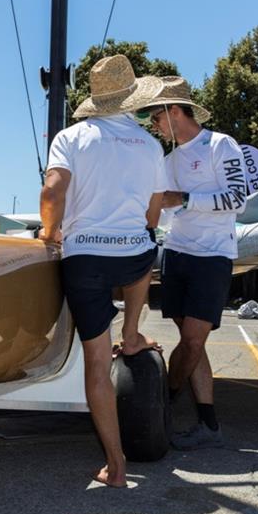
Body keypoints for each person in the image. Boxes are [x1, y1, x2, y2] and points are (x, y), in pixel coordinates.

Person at [39, 55, 166, 488]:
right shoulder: (151, 145)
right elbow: (152, 215)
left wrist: (50, 232)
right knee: (145, 255)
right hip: (132, 256)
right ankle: (132, 331)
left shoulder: (71, 137)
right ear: (131, 98)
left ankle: (116, 465)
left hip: (85, 259)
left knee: (97, 361)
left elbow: (53, 190)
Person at [140, 76, 246, 450]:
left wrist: (183, 198)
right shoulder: (166, 160)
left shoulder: (221, 145)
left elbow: (238, 198)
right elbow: (158, 208)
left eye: (154, 116)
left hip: (213, 255)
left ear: (173, 111)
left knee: (193, 339)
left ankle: (166, 399)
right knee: (193, 343)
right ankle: (209, 424)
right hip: (178, 254)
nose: (153, 125)